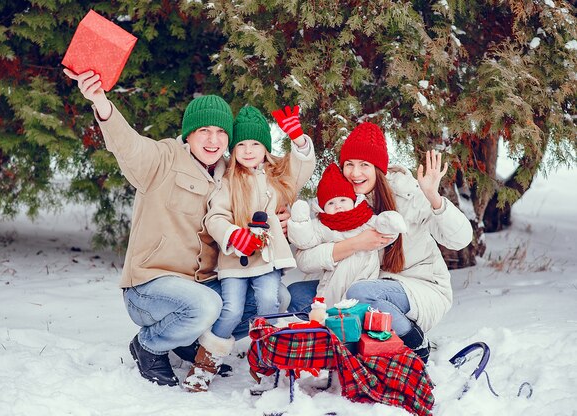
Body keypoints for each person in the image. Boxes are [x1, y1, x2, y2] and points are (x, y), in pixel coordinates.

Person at [63, 69, 290, 387]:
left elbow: (264, 202)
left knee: (274, 296)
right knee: (207, 305)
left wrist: (281, 220)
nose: (213, 140)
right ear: (189, 134)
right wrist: (100, 101)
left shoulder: (231, 175)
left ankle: (189, 343)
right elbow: (127, 145)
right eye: (204, 131)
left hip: (202, 284)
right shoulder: (162, 159)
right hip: (150, 287)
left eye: (221, 133)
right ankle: (149, 346)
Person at [287, 122, 473, 362]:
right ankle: (342, 350)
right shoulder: (339, 202)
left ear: (378, 168)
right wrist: (356, 244)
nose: (355, 173)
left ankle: (415, 343)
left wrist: (434, 198)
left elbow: (460, 239)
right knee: (297, 295)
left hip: (418, 287)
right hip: (365, 284)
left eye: (364, 165)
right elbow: (304, 257)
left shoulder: (407, 196)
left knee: (359, 293)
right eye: (349, 165)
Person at [182, 105, 316, 392]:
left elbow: (303, 166)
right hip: (235, 260)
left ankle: (267, 362)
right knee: (231, 310)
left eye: (255, 143)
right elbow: (215, 217)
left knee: (269, 302)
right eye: (241, 144)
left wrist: (299, 140)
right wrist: (233, 235)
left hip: (267, 259)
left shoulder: (278, 177)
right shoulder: (228, 180)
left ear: (265, 147)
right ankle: (204, 366)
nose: (248, 150)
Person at [287, 163, 407, 305]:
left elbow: (386, 233)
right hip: (332, 287)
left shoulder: (366, 219)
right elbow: (305, 241)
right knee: (329, 313)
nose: (338, 206)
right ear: (322, 207)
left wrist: (390, 223)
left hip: (364, 282)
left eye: (343, 200)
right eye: (331, 203)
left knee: (360, 307)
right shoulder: (323, 225)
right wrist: (299, 224)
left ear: (353, 200)